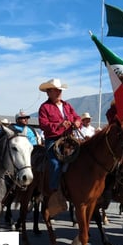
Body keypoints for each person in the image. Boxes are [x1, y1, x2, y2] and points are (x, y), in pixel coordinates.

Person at [38, 78, 81, 216]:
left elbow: (77, 117)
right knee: (55, 163)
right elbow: (43, 124)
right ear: (48, 92)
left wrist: (77, 123)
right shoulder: (44, 107)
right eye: (55, 90)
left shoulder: (67, 105)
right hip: (53, 140)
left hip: (69, 139)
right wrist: (59, 125)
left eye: (59, 90)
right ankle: (54, 191)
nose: (59, 92)